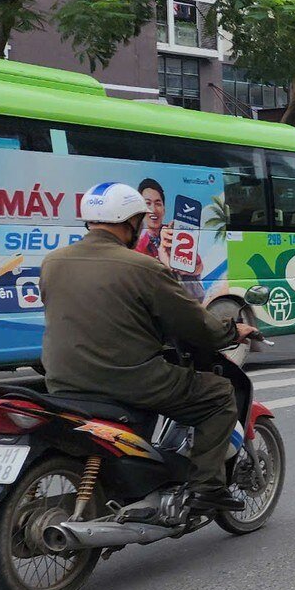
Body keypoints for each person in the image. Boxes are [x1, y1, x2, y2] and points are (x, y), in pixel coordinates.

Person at [40, 182, 259, 513]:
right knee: (217, 396)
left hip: (61, 380)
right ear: (130, 222)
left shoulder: (53, 262)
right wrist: (231, 332)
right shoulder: (142, 266)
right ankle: (206, 487)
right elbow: (194, 322)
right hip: (127, 380)